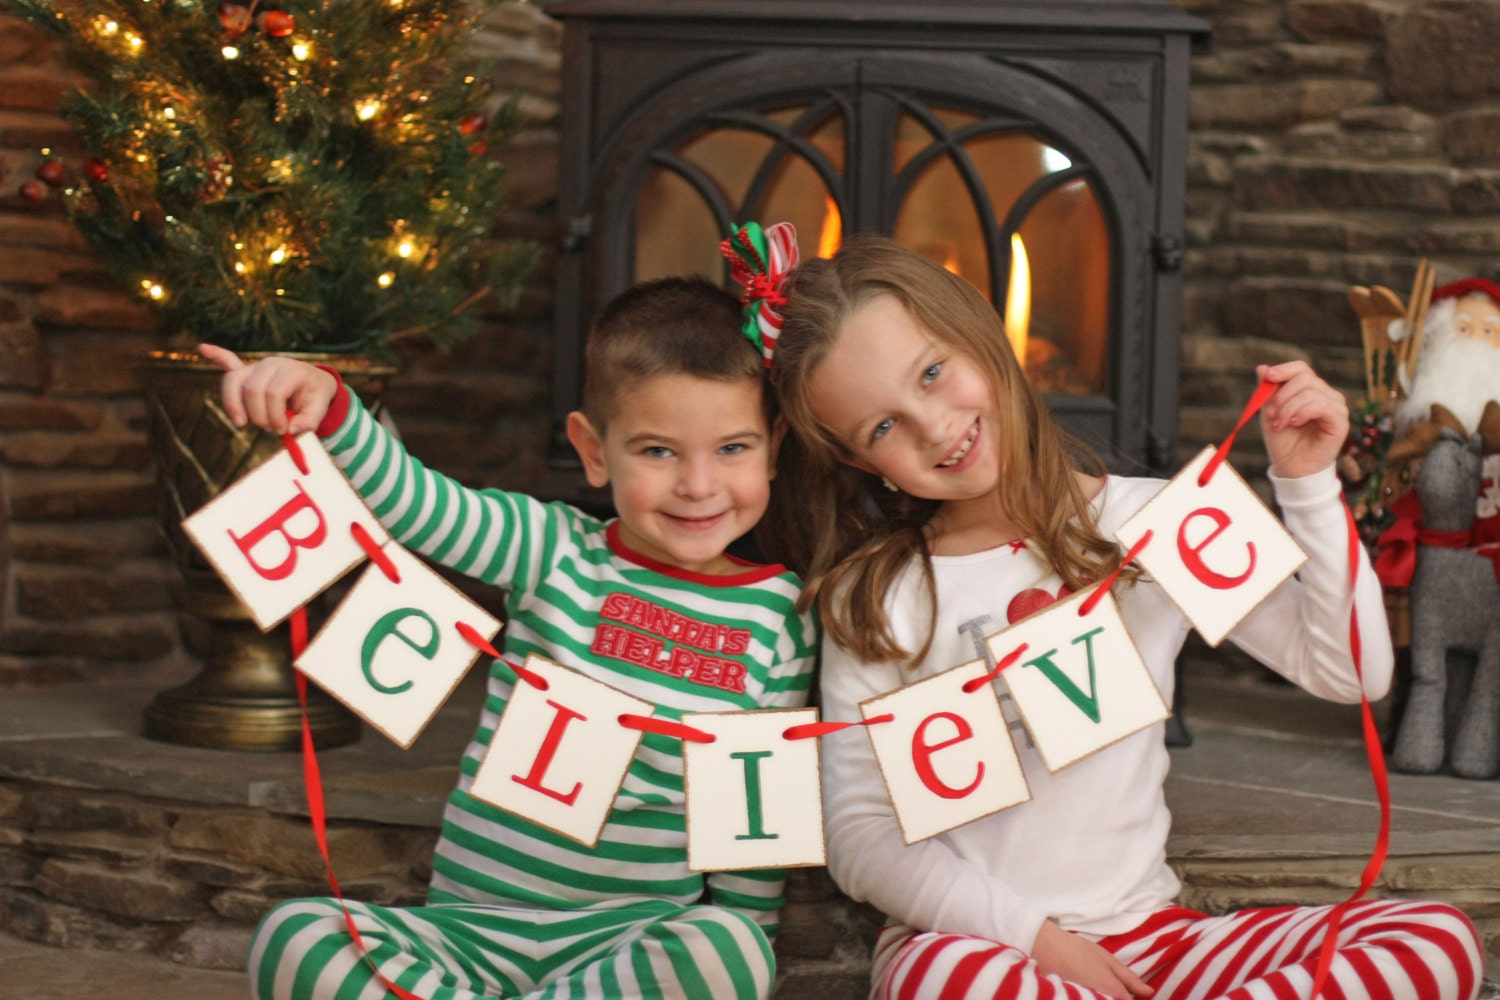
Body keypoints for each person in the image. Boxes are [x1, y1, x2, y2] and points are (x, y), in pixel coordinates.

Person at [760, 233, 1484, 1000]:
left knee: (1434, 942)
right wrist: (1038, 942)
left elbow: (1352, 674)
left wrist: (1306, 487)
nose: (934, 427)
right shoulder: (875, 598)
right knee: (939, 980)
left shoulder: (1157, 519)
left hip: (1151, 940)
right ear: (859, 463)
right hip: (982, 943)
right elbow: (860, 834)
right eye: (883, 427)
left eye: (934, 373)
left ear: (981, 333)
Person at [204, 275, 818, 1000]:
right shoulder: (550, 548)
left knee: (728, 950)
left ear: (774, 449)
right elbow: (419, 505)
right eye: (657, 451)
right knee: (297, 938)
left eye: (732, 449)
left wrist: (749, 948)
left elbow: (756, 830)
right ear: (594, 451)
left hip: (624, 945)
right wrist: (332, 407)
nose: (697, 484)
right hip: (465, 934)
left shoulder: (779, 616)